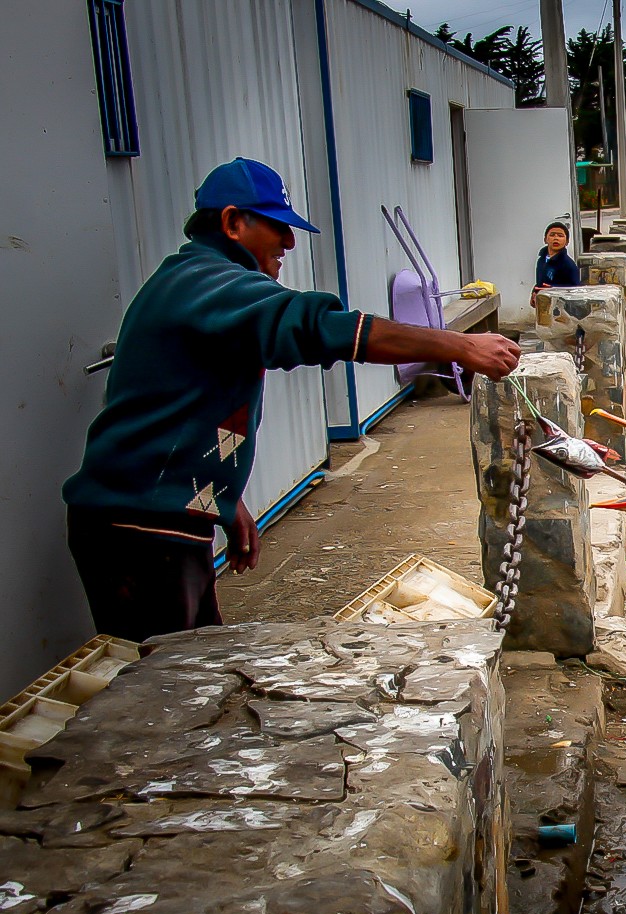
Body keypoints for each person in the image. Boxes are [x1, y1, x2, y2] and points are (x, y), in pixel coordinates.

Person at [62, 157, 520, 641]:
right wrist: (461, 345)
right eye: (277, 227)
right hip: (140, 529)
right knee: (167, 688)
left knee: (194, 665)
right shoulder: (209, 283)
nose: (289, 242)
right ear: (232, 222)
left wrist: (222, 497)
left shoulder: (195, 282)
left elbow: (175, 408)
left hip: (157, 518)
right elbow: (315, 328)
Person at [533, 220, 580, 290]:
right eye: (552, 235)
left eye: (560, 236)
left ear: (567, 242)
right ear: (545, 239)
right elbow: (539, 283)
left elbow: (574, 289)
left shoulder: (569, 265)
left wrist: (552, 289)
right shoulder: (541, 260)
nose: (556, 238)